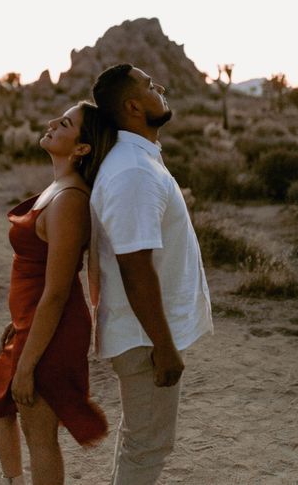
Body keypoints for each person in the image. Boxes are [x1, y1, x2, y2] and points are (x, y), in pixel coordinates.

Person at [0, 101, 116, 485]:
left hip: (53, 330)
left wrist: (26, 365)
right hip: (33, 322)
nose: (52, 123)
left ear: (82, 148)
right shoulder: (57, 188)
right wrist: (18, 320)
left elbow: (56, 291)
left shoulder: (70, 200)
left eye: (65, 123)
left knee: (39, 435)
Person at [90, 64, 213, 485]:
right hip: (145, 338)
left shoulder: (138, 162)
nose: (159, 87)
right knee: (147, 448)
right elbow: (134, 265)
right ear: (132, 106)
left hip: (145, 333)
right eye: (148, 85)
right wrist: (164, 344)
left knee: (140, 441)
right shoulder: (134, 172)